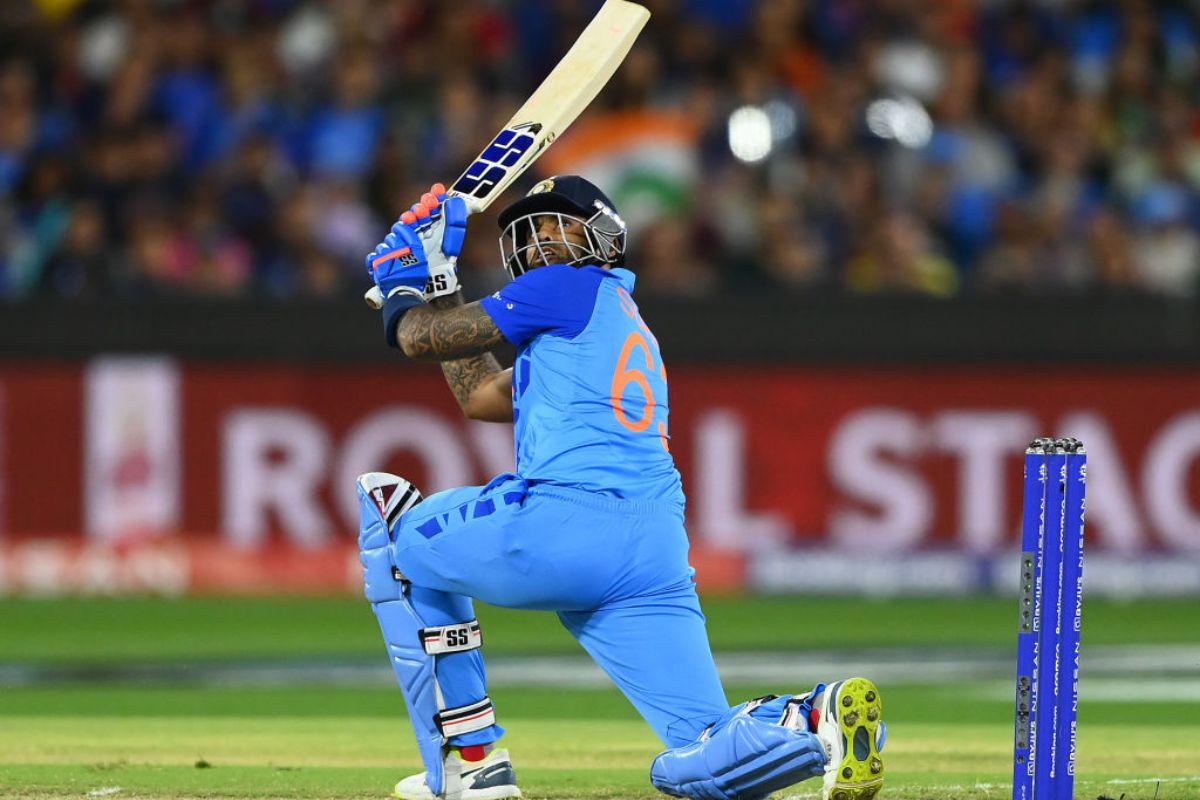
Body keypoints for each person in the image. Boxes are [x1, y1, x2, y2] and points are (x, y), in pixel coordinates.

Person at [357, 175, 886, 800]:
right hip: (651, 550)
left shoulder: (564, 287)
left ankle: (470, 766)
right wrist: (438, 280)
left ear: (603, 236)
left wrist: (401, 283)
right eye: (534, 228)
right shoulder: (610, 319)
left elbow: (419, 338)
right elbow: (478, 396)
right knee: (698, 754)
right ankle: (813, 716)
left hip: (569, 520)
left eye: (559, 223)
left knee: (395, 538)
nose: (543, 237)